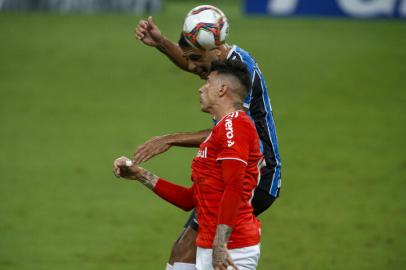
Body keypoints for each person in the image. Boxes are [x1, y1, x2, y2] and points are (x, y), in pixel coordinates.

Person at [134, 5, 282, 270]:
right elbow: (196, 63)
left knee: (196, 248)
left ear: (215, 54)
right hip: (235, 166)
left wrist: (169, 139)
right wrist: (161, 43)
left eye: (196, 59)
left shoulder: (239, 75)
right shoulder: (224, 63)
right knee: (185, 249)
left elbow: (232, 134)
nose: (192, 68)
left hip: (258, 174)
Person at [114, 60, 263, 270]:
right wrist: (140, 174)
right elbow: (189, 199)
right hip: (209, 246)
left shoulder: (234, 126)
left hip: (232, 249)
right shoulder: (218, 133)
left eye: (208, 82)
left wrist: (220, 243)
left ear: (222, 89)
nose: (201, 88)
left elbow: (234, 186)